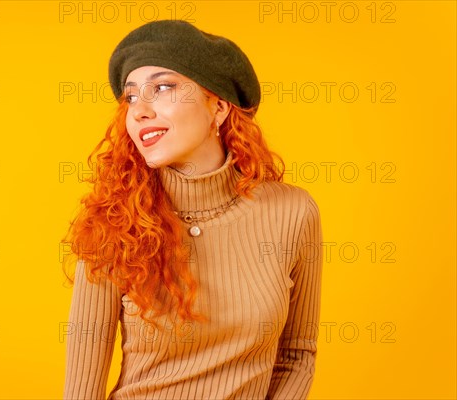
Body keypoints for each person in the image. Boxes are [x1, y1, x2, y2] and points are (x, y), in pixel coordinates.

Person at [61, 19, 323, 400]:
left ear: (217, 107)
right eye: (131, 97)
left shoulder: (293, 213)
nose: (139, 111)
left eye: (163, 88)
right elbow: (81, 387)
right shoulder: (113, 220)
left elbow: (297, 355)